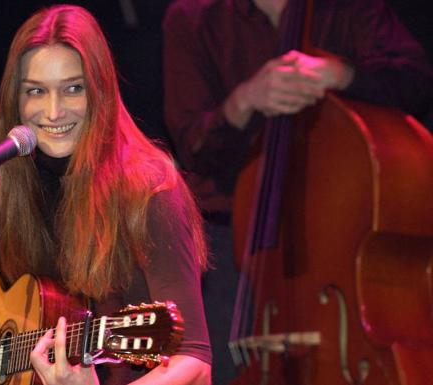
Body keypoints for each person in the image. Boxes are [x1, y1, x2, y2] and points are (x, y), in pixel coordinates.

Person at [0, 4, 212, 385]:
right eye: (36, 91)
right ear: (16, 102)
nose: (53, 112)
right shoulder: (18, 185)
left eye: (73, 88)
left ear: (101, 93)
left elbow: (195, 362)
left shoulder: (151, 190)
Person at [162, 0, 433, 383]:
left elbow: (418, 81)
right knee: (222, 366)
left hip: (343, 235)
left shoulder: (350, 9)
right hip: (234, 245)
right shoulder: (193, 16)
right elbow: (192, 147)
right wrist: (244, 102)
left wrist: (341, 74)